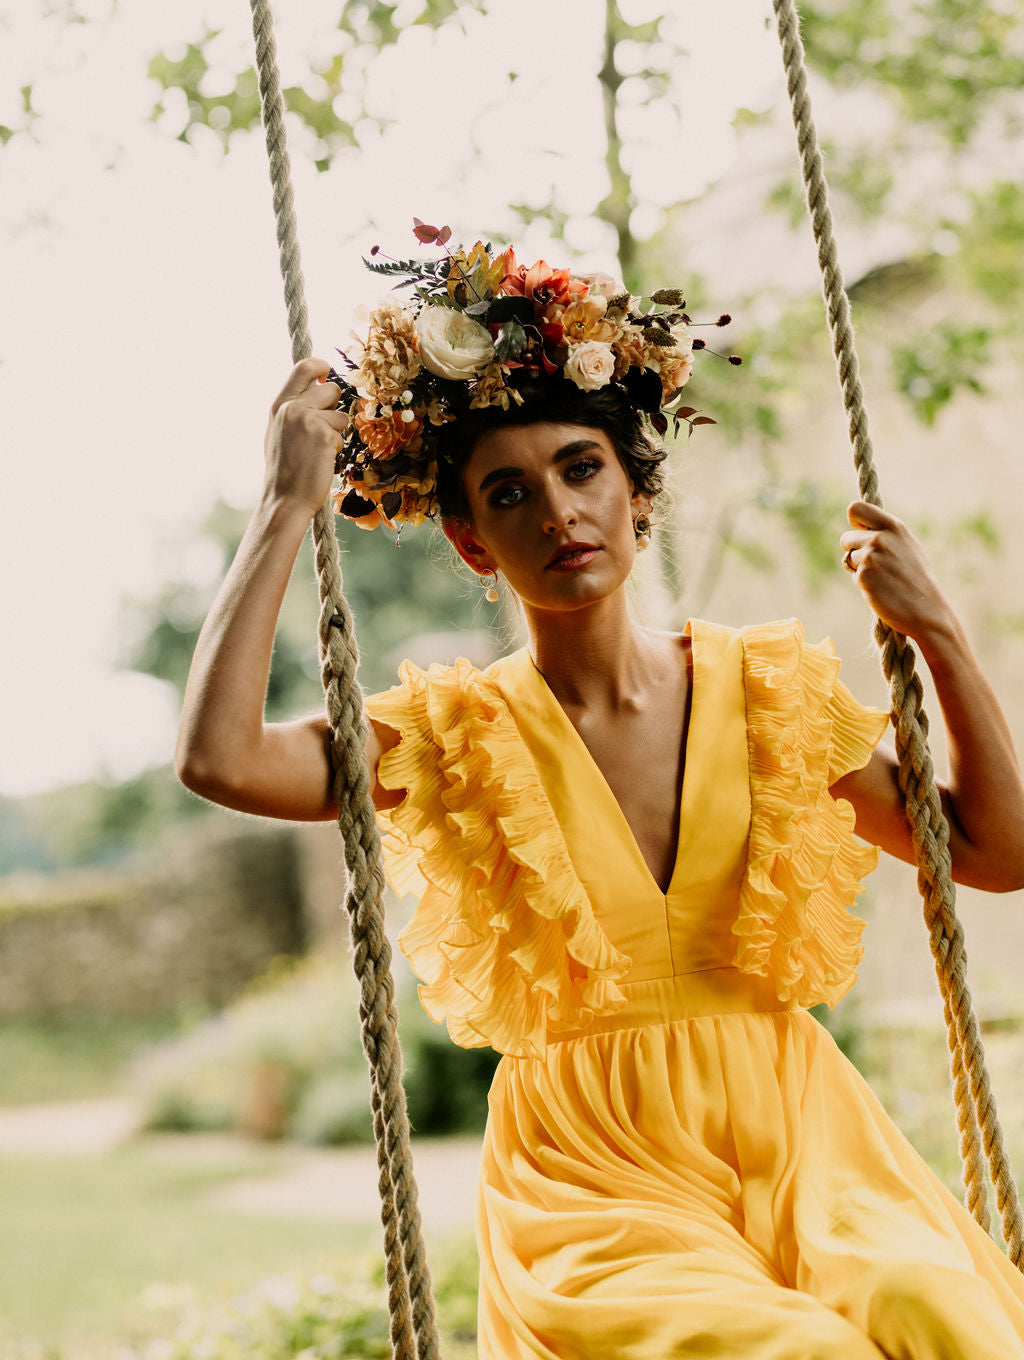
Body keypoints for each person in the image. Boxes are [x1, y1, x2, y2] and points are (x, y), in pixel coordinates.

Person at [177, 235, 1024, 1358]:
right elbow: (220, 759)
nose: (557, 513)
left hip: (804, 1140)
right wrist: (285, 506)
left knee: (943, 1314)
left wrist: (940, 636)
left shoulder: (765, 696)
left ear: (638, 499)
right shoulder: (451, 738)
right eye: (509, 494)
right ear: (475, 544)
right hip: (592, 1176)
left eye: (581, 469)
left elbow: (990, 851)